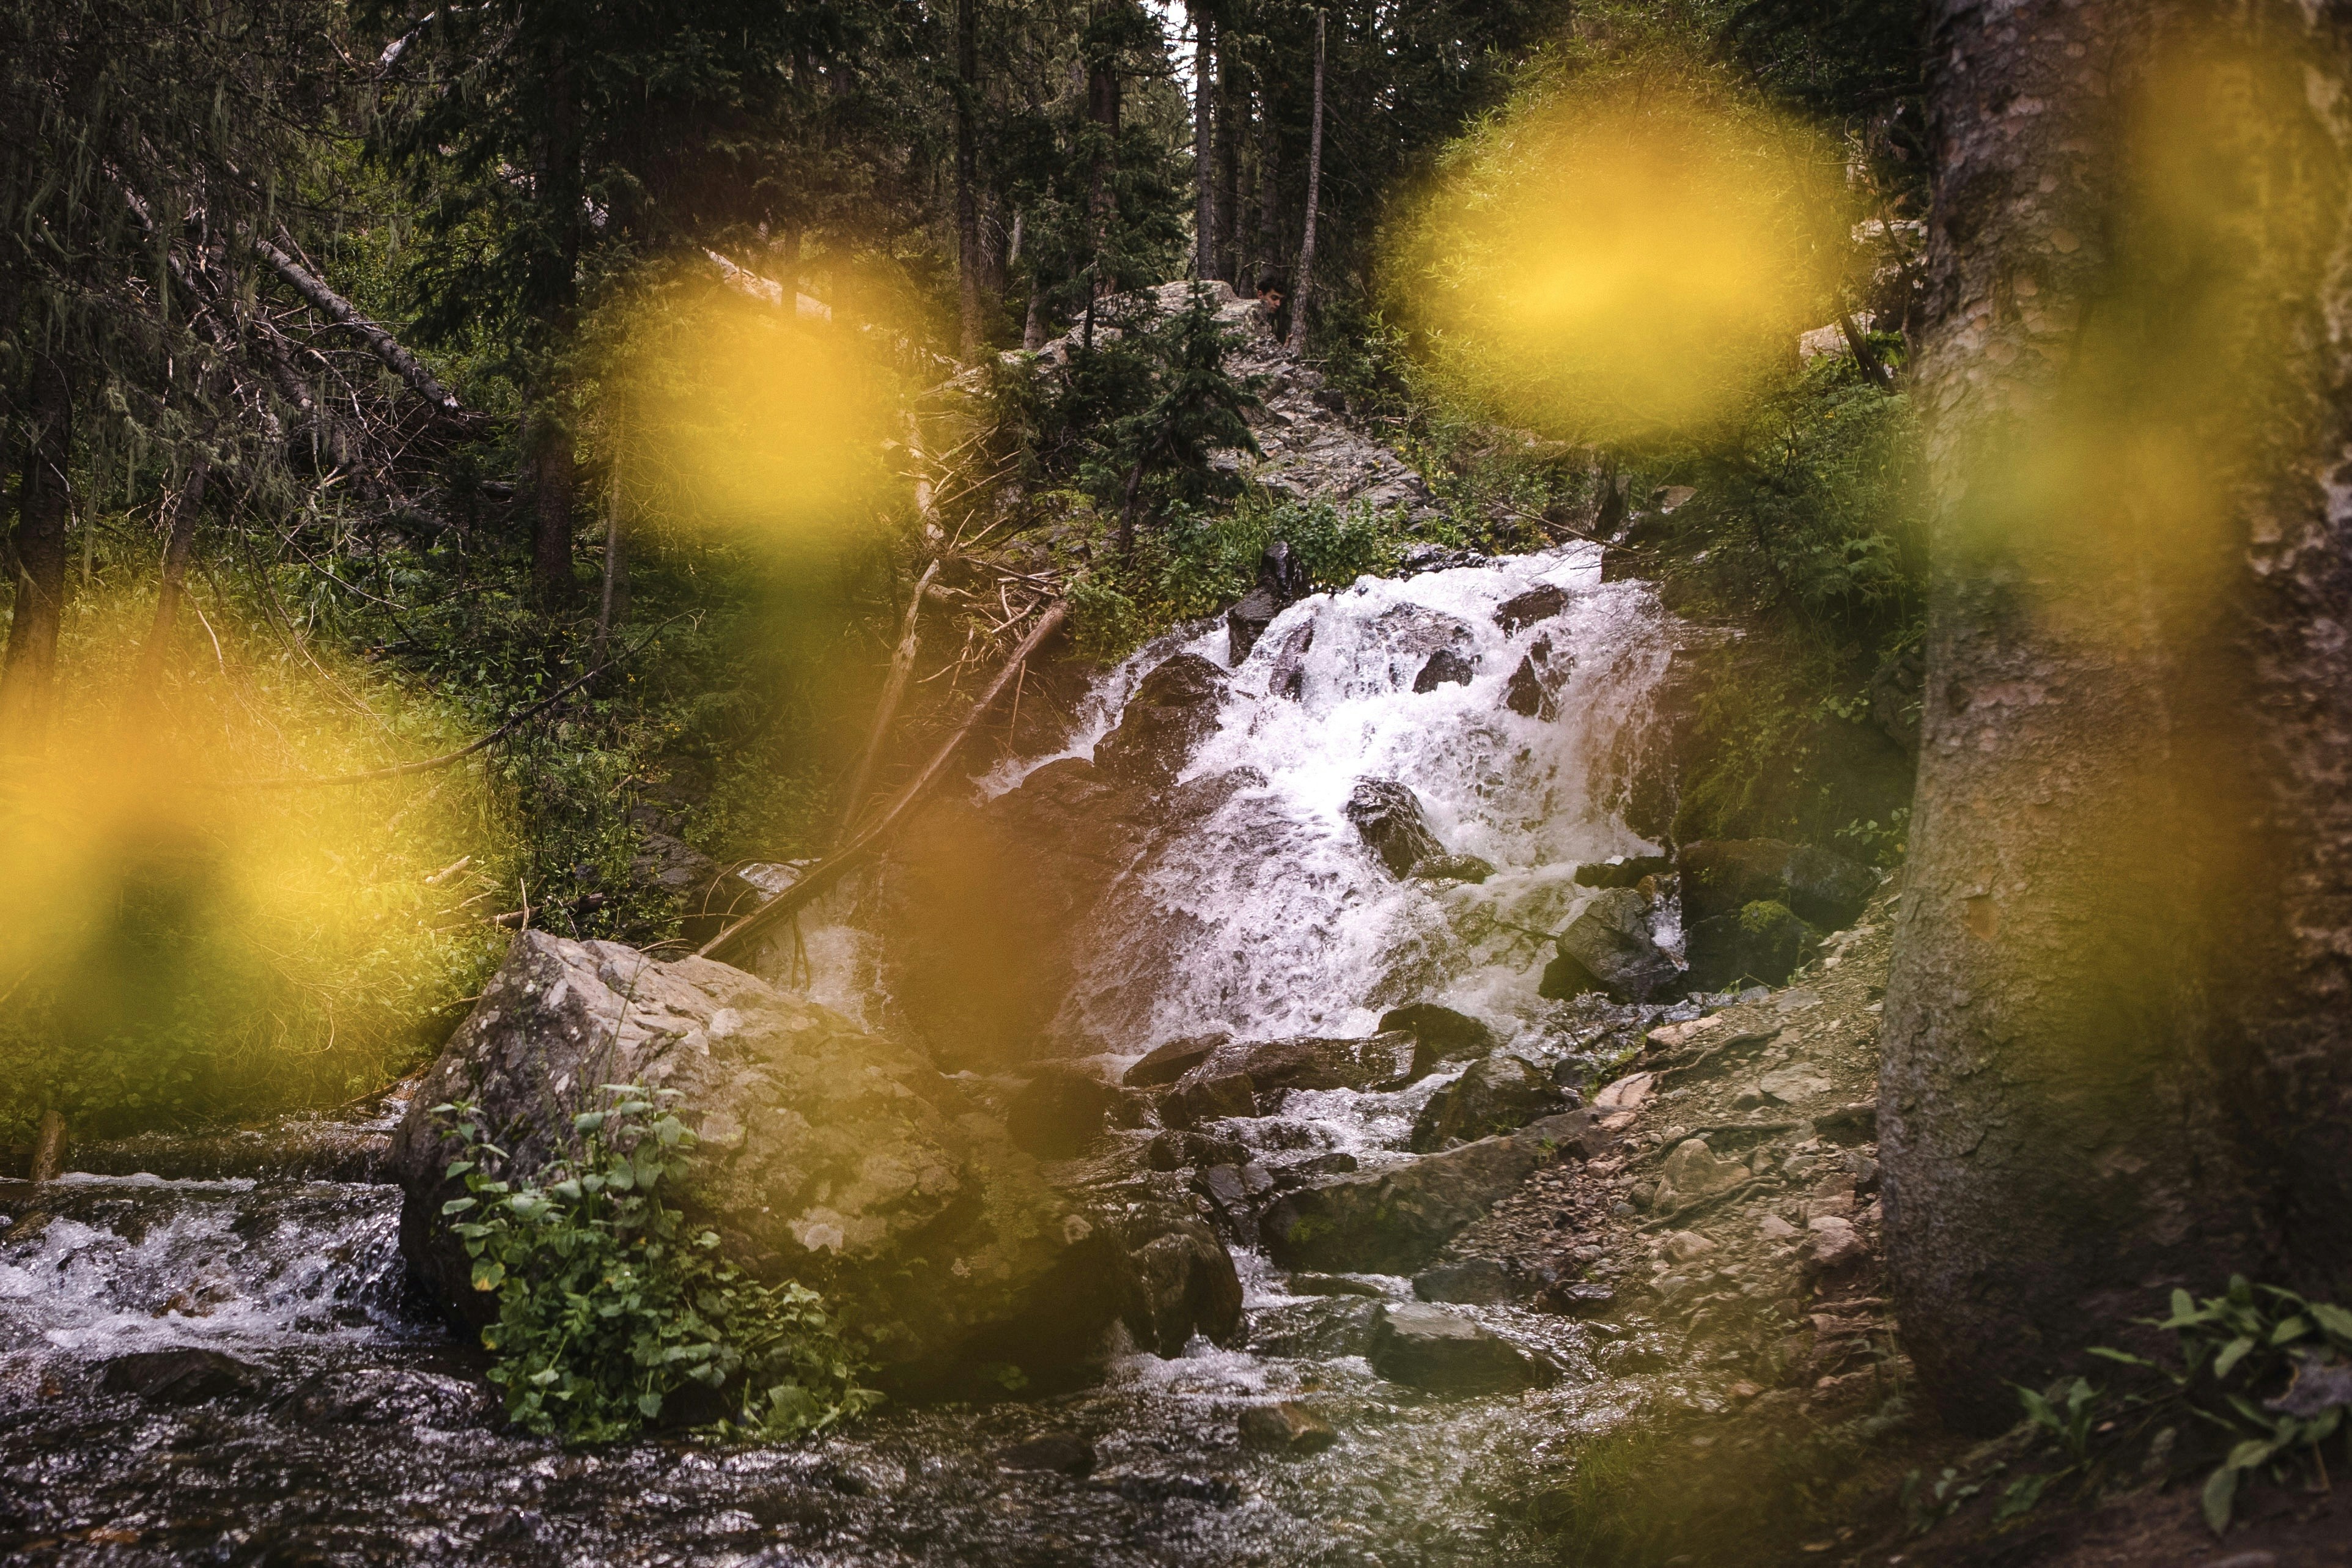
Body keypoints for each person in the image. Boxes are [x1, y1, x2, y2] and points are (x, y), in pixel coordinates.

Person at [1256, 275, 1289, 342]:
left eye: (1280, 300)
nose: (1278, 304)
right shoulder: (1247, 317)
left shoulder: (1272, 322)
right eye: (1274, 298)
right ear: (1260, 295)